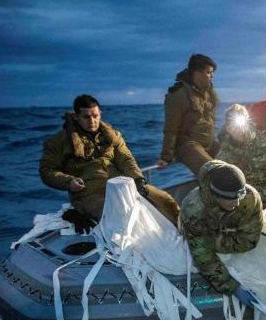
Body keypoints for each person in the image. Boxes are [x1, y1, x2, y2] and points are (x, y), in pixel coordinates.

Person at [39, 95, 180, 227]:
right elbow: (47, 171)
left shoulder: (113, 136)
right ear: (76, 117)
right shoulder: (58, 141)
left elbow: (126, 159)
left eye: (95, 116)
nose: (92, 121)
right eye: (86, 117)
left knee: (165, 200)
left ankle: (184, 233)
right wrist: (68, 182)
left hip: (122, 186)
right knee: (118, 217)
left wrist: (138, 180)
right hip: (88, 193)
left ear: (100, 113)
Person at [179, 160, 263, 296]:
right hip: (199, 231)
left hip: (221, 232)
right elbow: (204, 256)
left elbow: (250, 240)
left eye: (239, 196)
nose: (237, 202)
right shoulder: (193, 210)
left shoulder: (250, 197)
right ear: (216, 195)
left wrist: (218, 242)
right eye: (230, 198)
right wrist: (232, 287)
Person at [157, 54, 220, 175]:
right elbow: (171, 128)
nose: (212, 76)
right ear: (197, 73)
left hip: (208, 142)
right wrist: (166, 157)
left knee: (236, 161)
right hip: (187, 145)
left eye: (212, 73)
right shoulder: (178, 94)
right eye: (208, 72)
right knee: (214, 171)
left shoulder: (209, 92)